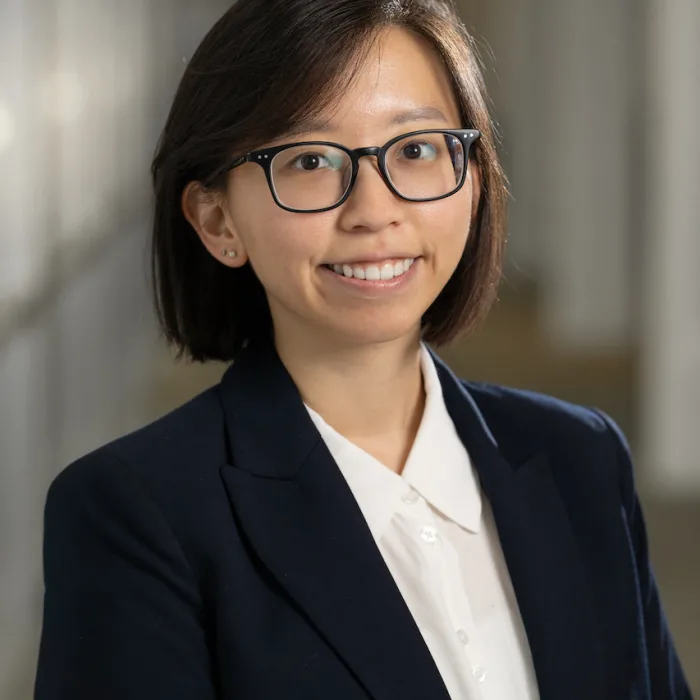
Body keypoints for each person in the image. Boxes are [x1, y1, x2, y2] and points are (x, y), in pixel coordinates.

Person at [34, 1, 691, 699]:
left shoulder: (582, 458)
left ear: (472, 177)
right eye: (311, 160)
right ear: (217, 220)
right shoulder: (136, 513)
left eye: (415, 150)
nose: (375, 212)